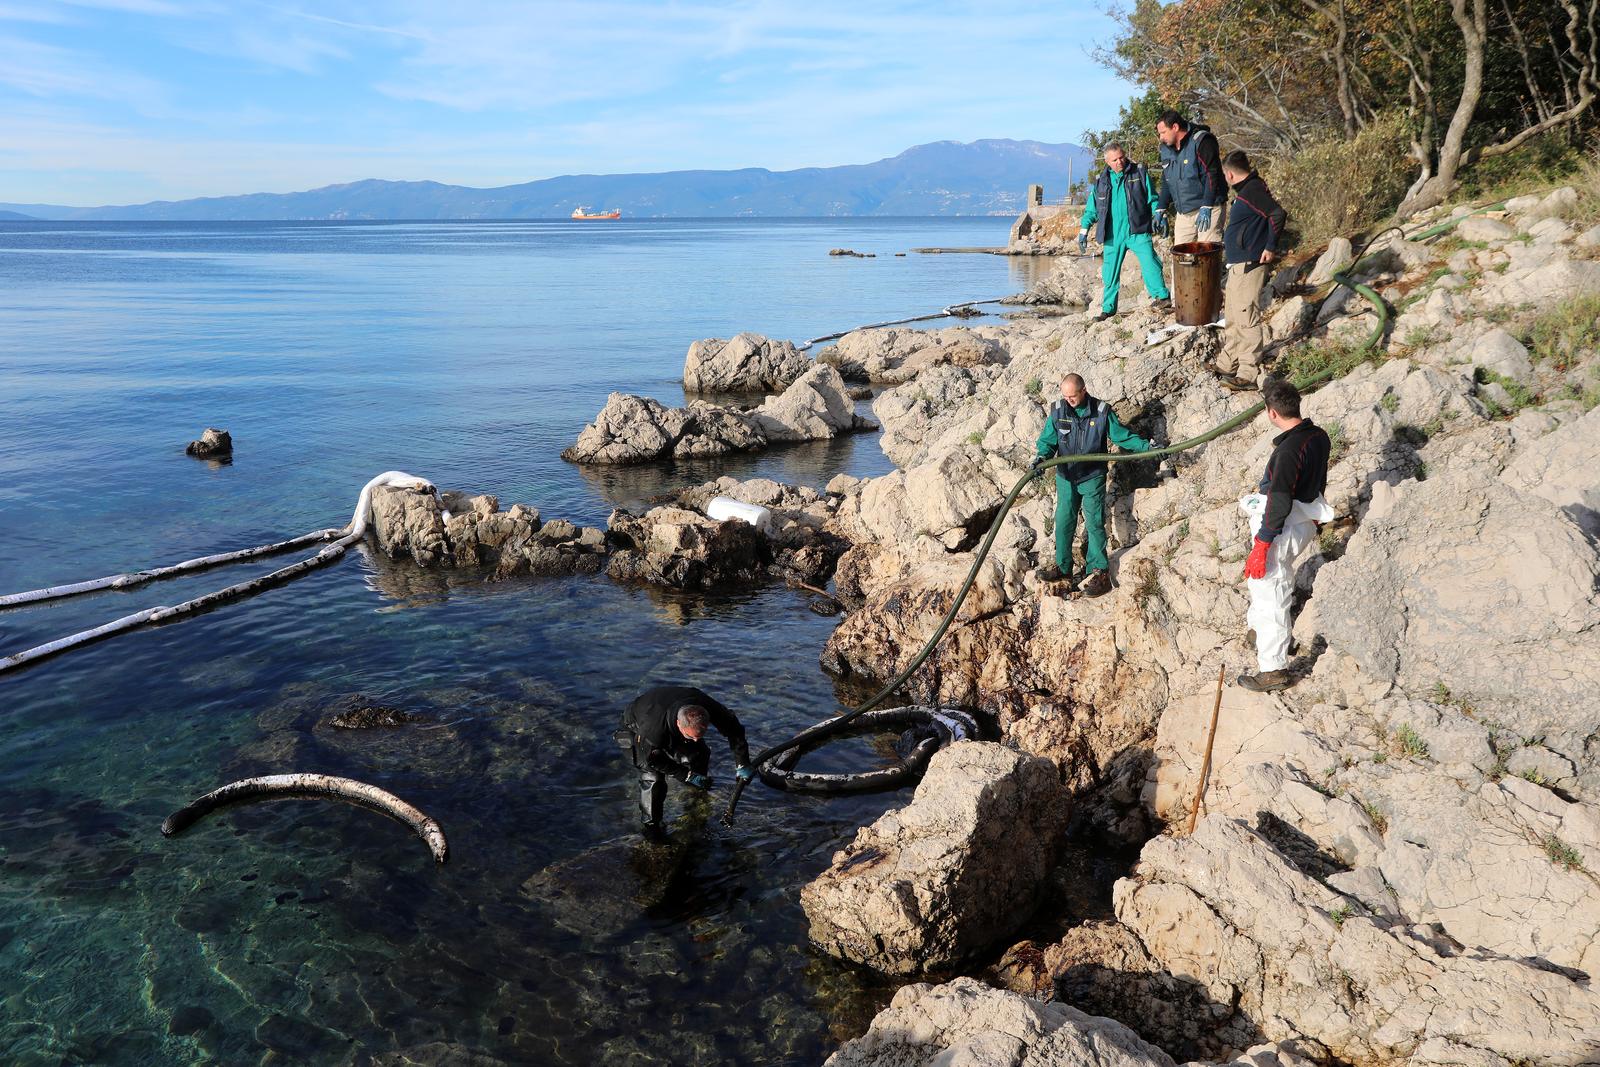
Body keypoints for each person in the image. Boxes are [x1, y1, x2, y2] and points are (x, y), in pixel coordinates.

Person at [1238, 380, 1333, 692]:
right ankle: (1260, 633)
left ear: (1271, 412)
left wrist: (1262, 545)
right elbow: (1319, 478)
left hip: (1282, 527)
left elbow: (1279, 500)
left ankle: (1274, 668)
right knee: (1263, 584)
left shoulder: (1287, 452)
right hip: (1301, 520)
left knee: (1271, 590)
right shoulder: (1317, 436)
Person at [1032, 374, 1155, 597]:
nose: (1069, 400)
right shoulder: (1058, 410)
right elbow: (1048, 442)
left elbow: (1122, 437)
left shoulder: (1101, 412)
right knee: (1063, 522)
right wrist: (1041, 458)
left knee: (1095, 523)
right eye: (1065, 395)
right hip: (1066, 477)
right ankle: (1063, 568)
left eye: (1073, 396)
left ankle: (1098, 572)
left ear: (1084, 390)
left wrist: (1147, 447)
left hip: (1092, 477)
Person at [622, 685, 752, 836]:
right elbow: (652, 761)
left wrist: (742, 762)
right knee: (653, 778)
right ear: (679, 724)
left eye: (701, 735)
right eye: (691, 737)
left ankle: (696, 794)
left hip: (670, 711)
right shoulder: (653, 731)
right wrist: (685, 775)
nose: (697, 740)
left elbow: (735, 730)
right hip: (637, 725)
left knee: (699, 752)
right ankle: (652, 826)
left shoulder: (707, 706)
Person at [1216, 150, 1289, 391]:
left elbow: (1278, 213)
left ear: (1229, 174)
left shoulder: (1253, 190)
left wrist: (1270, 246)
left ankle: (1247, 374)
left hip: (1250, 263)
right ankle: (1227, 363)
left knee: (1247, 317)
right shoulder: (1246, 192)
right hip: (1238, 264)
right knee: (1234, 316)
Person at [1079, 142, 1172, 323]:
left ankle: (1162, 298)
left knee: (1150, 262)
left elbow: (1153, 199)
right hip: (1113, 235)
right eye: (1115, 160)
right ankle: (1108, 310)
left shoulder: (1139, 173)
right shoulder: (1100, 182)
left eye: (1121, 157)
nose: (1120, 162)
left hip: (1137, 229)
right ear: (1107, 161)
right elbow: (1092, 210)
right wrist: (1084, 230)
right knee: (1109, 272)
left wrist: (1159, 215)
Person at [1155, 110, 1227, 245]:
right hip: (1184, 212)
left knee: (1206, 254)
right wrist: (1161, 207)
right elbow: (1167, 179)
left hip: (1210, 206)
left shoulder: (1202, 141)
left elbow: (1212, 175)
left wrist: (1207, 206)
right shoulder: (1165, 148)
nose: (1161, 137)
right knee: (1180, 258)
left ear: (1175, 127)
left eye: (1163, 132)